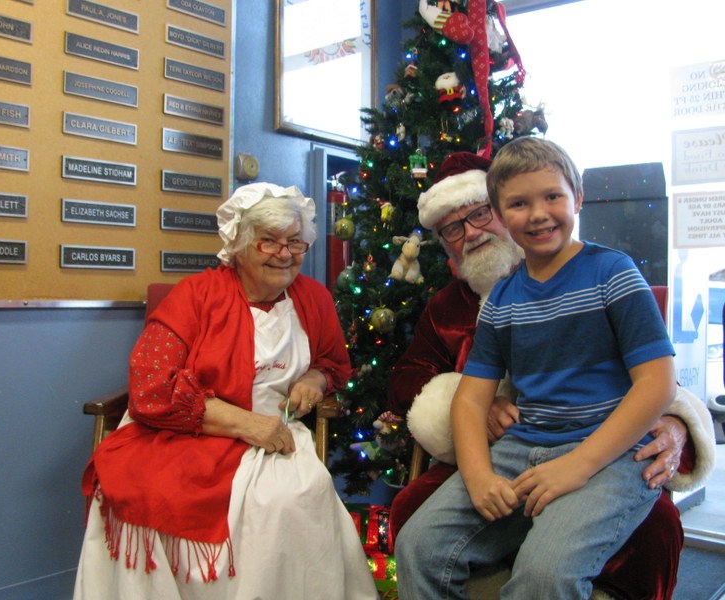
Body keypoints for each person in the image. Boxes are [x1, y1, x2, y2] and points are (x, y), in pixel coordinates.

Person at [394, 140, 714, 599]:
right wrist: (479, 476)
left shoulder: (614, 273)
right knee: (418, 547)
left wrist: (578, 466)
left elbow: (658, 383)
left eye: (552, 197)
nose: (538, 214)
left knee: (545, 574)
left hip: (611, 456)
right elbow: (469, 401)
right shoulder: (502, 300)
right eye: (519, 204)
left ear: (577, 198)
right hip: (523, 447)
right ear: (501, 214)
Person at [74, 183, 378, 600]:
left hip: (278, 429)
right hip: (191, 429)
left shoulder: (314, 298)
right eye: (268, 241)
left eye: (294, 242)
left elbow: (332, 364)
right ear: (238, 245)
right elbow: (151, 384)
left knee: (289, 499)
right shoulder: (194, 296)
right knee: (147, 490)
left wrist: (314, 380)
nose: (285, 254)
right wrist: (246, 424)